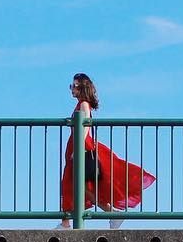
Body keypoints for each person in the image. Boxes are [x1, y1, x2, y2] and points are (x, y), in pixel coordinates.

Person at [59, 73, 155, 228]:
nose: (72, 89)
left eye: (74, 86)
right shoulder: (81, 104)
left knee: (74, 184)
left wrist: (78, 148)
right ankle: (111, 213)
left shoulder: (83, 104)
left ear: (82, 88)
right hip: (78, 147)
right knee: (78, 186)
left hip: (81, 148)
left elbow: (85, 127)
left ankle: (66, 223)